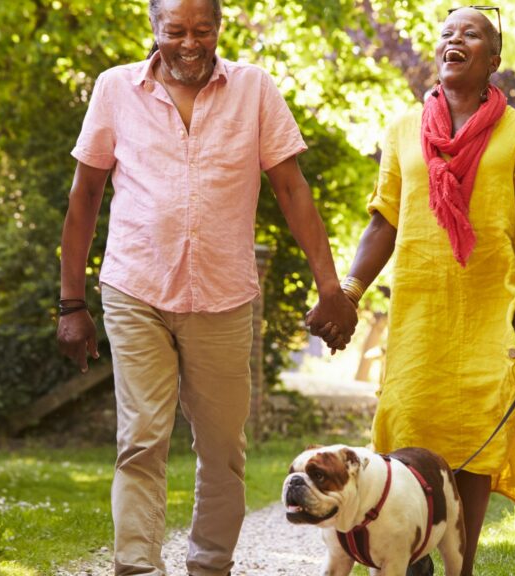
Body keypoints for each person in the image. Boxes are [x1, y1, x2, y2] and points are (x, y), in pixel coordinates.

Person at [56, 0, 357, 574]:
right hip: (136, 287)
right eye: (175, 31)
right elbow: (85, 196)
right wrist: (71, 303)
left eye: (202, 29)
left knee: (222, 450)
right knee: (141, 439)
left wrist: (331, 287)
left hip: (222, 296)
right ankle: (138, 566)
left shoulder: (255, 89)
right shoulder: (115, 89)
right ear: (154, 28)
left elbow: (292, 190)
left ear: (220, 28)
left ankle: (210, 565)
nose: (190, 43)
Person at [308, 7, 515, 575]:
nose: (455, 40)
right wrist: (351, 292)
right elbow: (384, 221)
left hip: (487, 308)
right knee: (408, 430)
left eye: (472, 34)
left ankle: (460, 563)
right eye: (447, 33)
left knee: (473, 439)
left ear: (493, 58)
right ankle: (411, 553)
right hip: (418, 312)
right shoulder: (403, 130)